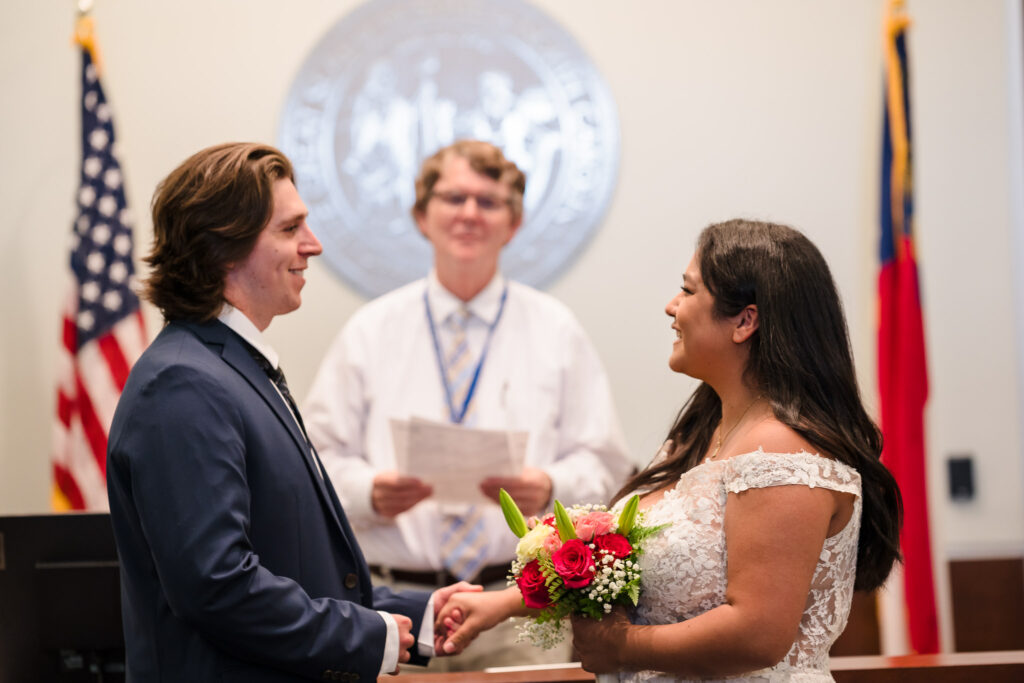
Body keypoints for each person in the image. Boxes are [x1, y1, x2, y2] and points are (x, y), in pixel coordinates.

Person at [435, 219, 904, 682]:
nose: (671, 306)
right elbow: (631, 570)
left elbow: (757, 634)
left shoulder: (783, 453)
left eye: (688, 291)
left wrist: (620, 646)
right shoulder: (699, 436)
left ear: (745, 321)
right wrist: (499, 603)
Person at [106, 142, 479, 682]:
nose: (314, 245)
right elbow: (217, 588)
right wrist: (368, 635)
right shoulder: (182, 384)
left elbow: (299, 566)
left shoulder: (236, 369)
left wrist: (419, 615)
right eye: (289, 229)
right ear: (223, 246)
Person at [303, 139, 632, 669]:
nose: (470, 214)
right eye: (454, 198)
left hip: (520, 613)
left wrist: (550, 488)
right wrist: (369, 493)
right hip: (395, 614)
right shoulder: (370, 330)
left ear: (514, 223)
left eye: (489, 202)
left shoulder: (556, 331)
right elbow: (314, 466)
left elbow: (607, 466)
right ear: (421, 216)